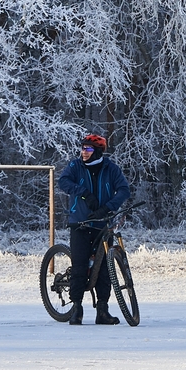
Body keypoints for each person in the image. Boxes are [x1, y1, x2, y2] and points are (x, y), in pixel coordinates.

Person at [55, 130, 132, 325]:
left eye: (88, 148)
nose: (84, 152)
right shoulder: (75, 165)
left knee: (105, 268)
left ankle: (103, 310)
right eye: (82, 148)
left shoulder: (110, 169)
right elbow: (63, 181)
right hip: (80, 222)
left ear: (98, 151)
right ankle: (77, 308)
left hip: (102, 223)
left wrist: (108, 207)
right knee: (80, 265)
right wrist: (83, 193)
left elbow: (123, 190)